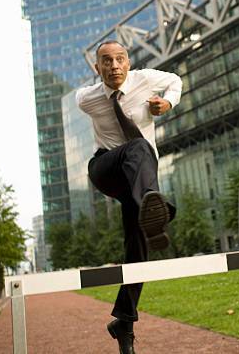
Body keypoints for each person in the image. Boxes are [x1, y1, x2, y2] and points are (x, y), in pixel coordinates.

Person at [75, 40, 182, 354]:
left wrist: (168, 103)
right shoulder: (86, 98)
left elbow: (176, 80)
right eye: (106, 61)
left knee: (138, 250)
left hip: (138, 179)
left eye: (120, 59)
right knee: (139, 148)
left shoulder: (146, 79)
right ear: (98, 69)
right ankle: (158, 208)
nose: (114, 66)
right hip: (106, 169)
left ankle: (124, 324)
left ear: (129, 63)